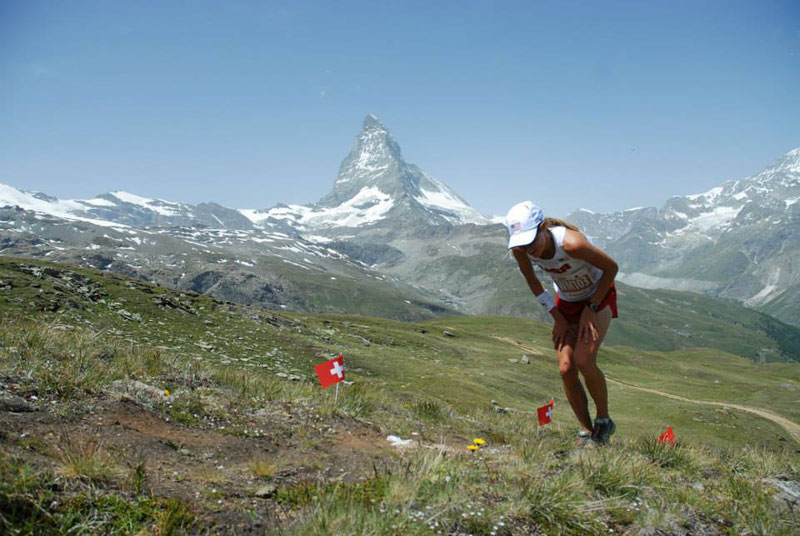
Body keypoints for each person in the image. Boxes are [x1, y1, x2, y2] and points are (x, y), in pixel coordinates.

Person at [505, 200, 619, 445]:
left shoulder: (571, 244)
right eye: (522, 244)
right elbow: (534, 283)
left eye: (531, 240)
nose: (528, 249)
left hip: (598, 294)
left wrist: (591, 308)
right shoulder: (520, 250)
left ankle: (604, 421)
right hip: (567, 300)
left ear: (544, 227)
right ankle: (589, 431)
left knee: (583, 359)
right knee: (566, 367)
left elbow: (611, 269)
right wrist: (557, 318)